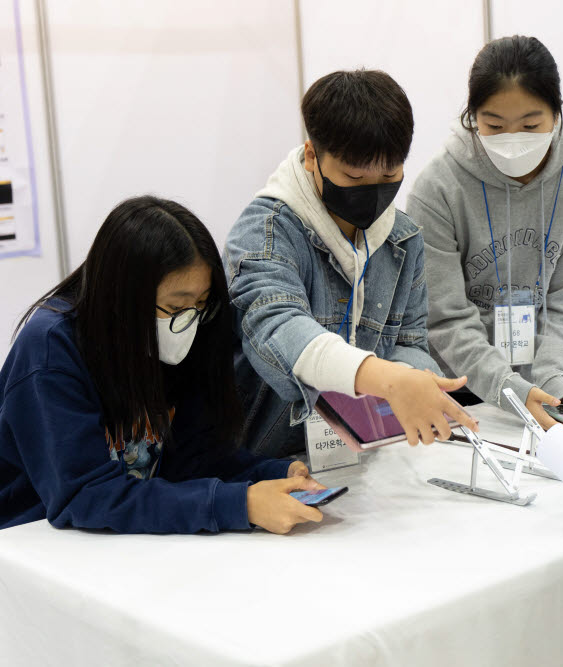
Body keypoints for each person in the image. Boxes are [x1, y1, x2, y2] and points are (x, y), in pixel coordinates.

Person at [0, 196, 325, 534]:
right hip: (28, 545)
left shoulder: (184, 335)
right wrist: (240, 504)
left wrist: (273, 474)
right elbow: (86, 495)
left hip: (120, 541)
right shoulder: (52, 351)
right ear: (123, 299)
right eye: (175, 308)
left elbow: (196, 460)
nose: (190, 322)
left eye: (200, 304)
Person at [226, 70, 477, 457]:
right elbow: (277, 326)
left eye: (390, 175)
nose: (373, 192)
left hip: (363, 459)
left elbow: (410, 339)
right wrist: (387, 379)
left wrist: (413, 377)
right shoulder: (267, 232)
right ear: (312, 156)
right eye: (354, 176)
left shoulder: (403, 239)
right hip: (264, 460)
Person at [407, 35, 563, 429]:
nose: (513, 141)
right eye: (494, 125)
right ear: (472, 117)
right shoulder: (438, 188)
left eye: (531, 125)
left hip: (543, 387)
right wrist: (506, 387)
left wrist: (553, 383)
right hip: (458, 394)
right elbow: (446, 319)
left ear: (557, 114)